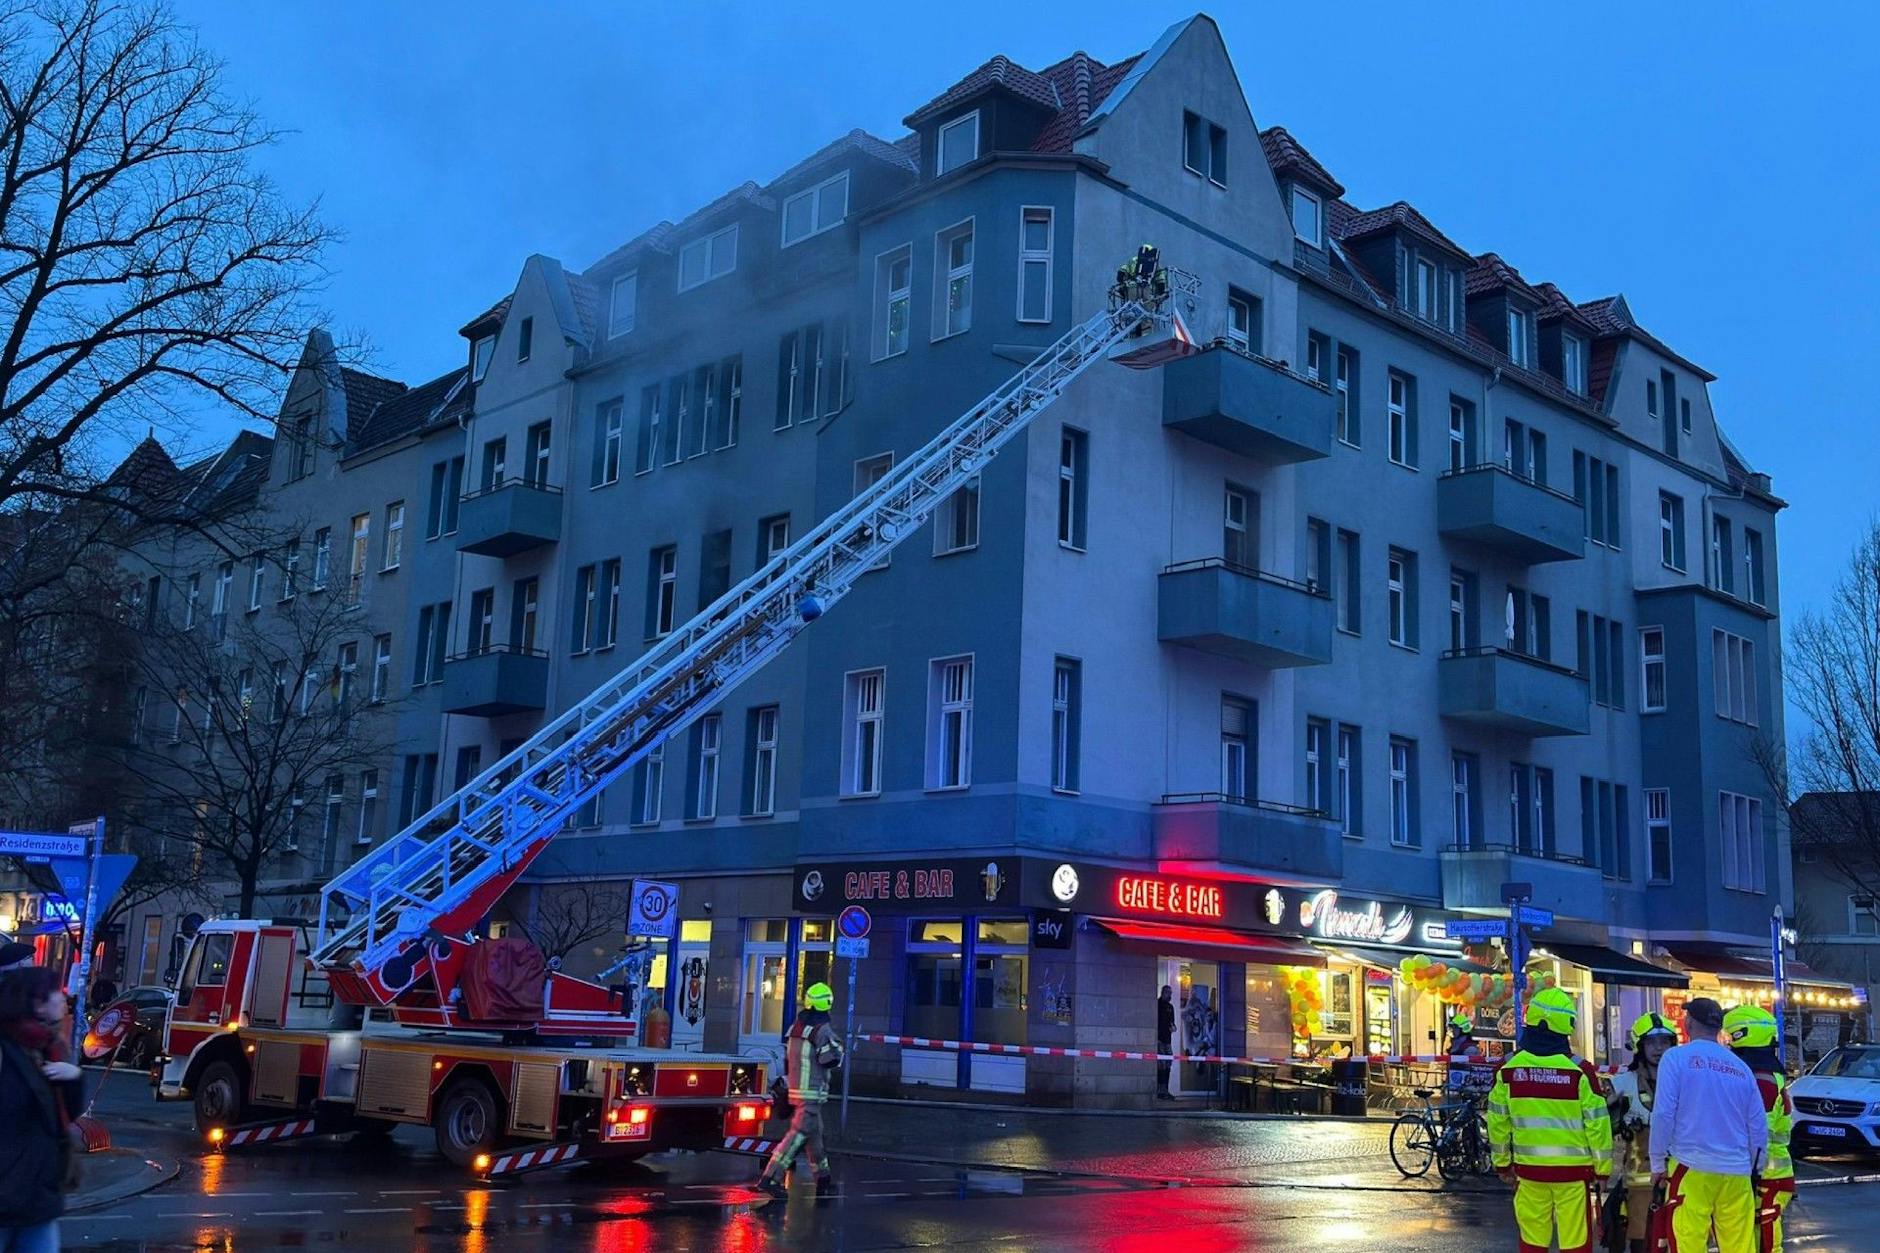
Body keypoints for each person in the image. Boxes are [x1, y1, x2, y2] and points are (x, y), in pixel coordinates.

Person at [1486, 986, 1613, 1253]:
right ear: (1567, 1024)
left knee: (1533, 1240)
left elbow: (1497, 1123)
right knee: (1575, 1242)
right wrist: (1602, 1170)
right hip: (1573, 1175)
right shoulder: (1580, 1071)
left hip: (1529, 1172)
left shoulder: (1507, 1069)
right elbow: (1598, 1124)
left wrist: (1502, 1164)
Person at [1648, 997, 1766, 1253]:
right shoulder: (1741, 1068)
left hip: (1691, 1168)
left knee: (1688, 1242)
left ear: (1689, 1022)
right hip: (1737, 1173)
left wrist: (1657, 1163)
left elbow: (1663, 1114)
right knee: (1740, 1247)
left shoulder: (1676, 1058)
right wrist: (1756, 1168)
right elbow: (1757, 1126)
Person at [1, 965, 84, 1252]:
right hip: (8, 1194)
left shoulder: (50, 1048)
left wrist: (74, 1078)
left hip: (38, 1197)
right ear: (37, 1004)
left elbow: (64, 1116)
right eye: (56, 994)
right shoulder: (9, 1049)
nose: (64, 1000)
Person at [756, 981, 843, 1199]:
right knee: (796, 1137)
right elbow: (830, 1060)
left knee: (815, 1138)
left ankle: (823, 1179)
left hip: (795, 1090)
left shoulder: (795, 1027)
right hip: (811, 1093)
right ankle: (770, 1178)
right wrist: (840, 1048)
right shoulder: (822, 1031)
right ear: (827, 1004)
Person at [1606, 1012, 1679, 1253]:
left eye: (1665, 1042)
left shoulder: (1683, 1080)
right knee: (1641, 1238)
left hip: (1680, 1176)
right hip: (1640, 1182)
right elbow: (1606, 1128)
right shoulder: (1623, 1084)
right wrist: (1615, 1114)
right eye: (1651, 1042)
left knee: (1679, 1235)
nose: (1659, 1048)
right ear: (1639, 1047)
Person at [1722, 1005, 1792, 1252]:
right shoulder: (1764, 1074)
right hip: (1764, 1172)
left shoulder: (1761, 1079)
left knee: (1766, 1241)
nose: (1726, 1044)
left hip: (1765, 1175)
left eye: (1728, 1037)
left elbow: (1756, 1130)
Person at [1156, 985, 1175, 1100]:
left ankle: (1165, 1090)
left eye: (1171, 993)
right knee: (1160, 1066)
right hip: (1159, 1040)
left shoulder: (1170, 1007)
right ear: (1163, 992)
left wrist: (1173, 1027)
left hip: (1168, 1040)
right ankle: (1159, 1090)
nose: (1170, 995)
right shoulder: (1157, 1005)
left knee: (1168, 1065)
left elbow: (1172, 1023)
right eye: (1168, 993)